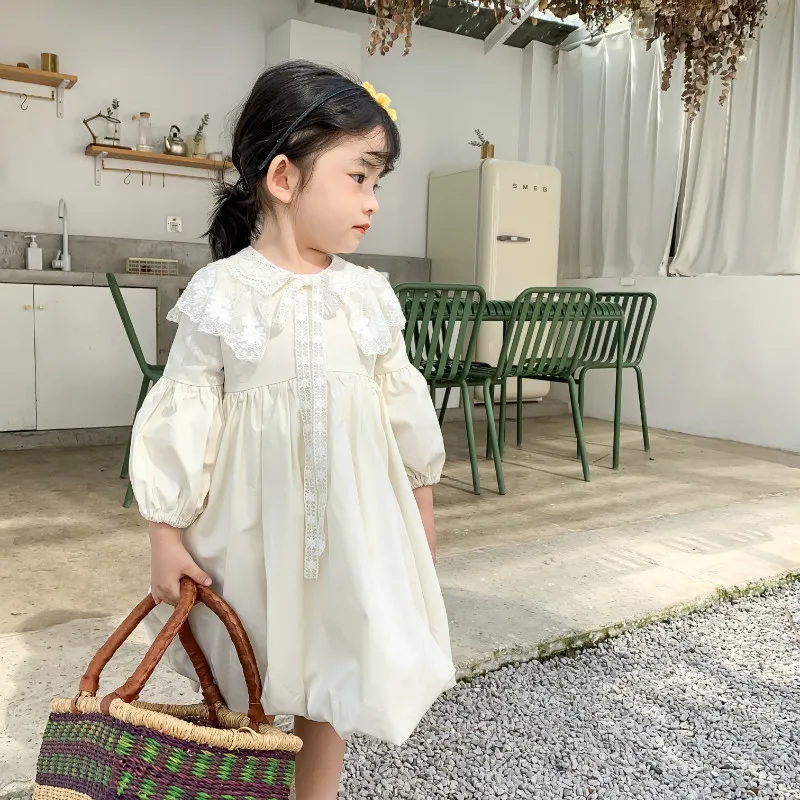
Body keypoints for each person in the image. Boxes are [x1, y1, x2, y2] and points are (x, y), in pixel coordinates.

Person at [129, 60, 455, 800]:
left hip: (349, 534)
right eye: (359, 176)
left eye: (378, 181)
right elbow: (185, 413)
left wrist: (421, 522)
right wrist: (164, 534)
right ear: (283, 177)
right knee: (245, 679)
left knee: (330, 677)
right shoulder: (220, 293)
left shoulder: (368, 296)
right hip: (243, 537)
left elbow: (405, 420)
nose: (372, 201)